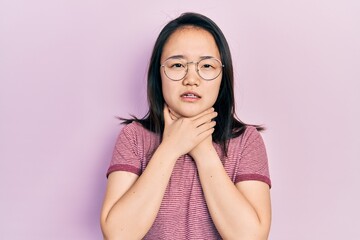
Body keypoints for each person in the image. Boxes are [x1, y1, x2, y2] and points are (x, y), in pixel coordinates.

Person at [100, 12, 271, 240]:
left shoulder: (247, 140)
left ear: (223, 76)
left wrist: (203, 151)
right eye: (178, 64)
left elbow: (251, 237)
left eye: (207, 65)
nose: (191, 78)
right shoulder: (133, 137)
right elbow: (117, 235)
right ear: (158, 73)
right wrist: (170, 148)